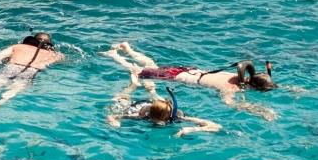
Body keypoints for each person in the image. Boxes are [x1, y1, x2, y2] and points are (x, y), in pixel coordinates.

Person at [105, 42, 277, 118]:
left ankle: (128, 50)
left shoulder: (235, 77)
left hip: (187, 70)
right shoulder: (231, 88)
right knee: (137, 71)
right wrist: (258, 109)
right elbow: (229, 104)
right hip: (177, 76)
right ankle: (115, 56)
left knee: (151, 65)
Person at [0, 33, 63, 110]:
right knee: (15, 89)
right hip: (31, 71)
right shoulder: (54, 55)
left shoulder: (18, 46)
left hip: (12, 67)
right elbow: (61, 59)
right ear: (49, 44)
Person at [107, 83, 220, 137]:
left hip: (158, 105)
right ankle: (133, 85)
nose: (157, 123)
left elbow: (216, 126)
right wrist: (114, 121)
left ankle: (152, 91)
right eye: (154, 119)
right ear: (150, 116)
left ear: (168, 117)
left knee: (160, 100)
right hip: (140, 106)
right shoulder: (142, 116)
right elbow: (112, 116)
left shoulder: (177, 117)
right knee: (121, 99)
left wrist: (191, 129)